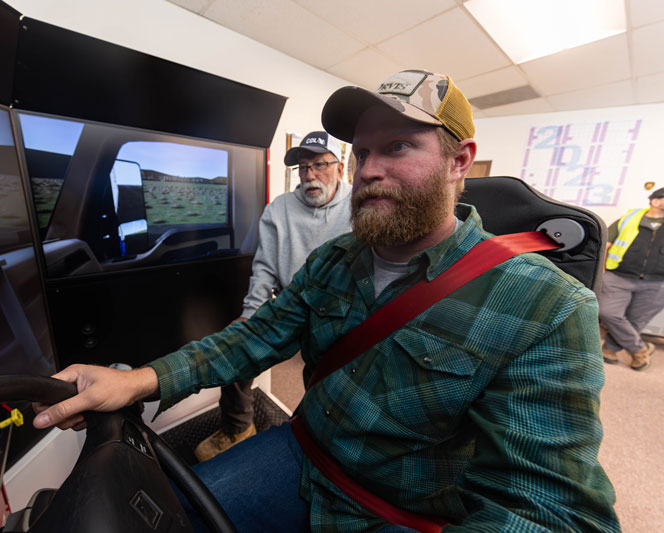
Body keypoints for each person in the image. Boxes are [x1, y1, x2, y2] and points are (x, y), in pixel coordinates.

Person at [33, 69, 619, 532]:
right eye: (362, 153)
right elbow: (255, 337)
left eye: (397, 148)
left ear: (459, 162)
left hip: (400, 507)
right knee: (168, 518)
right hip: (304, 453)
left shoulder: (545, 304)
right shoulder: (334, 260)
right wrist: (140, 380)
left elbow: (549, 511)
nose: (370, 170)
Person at [194, 131, 352, 462]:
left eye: (319, 165)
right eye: (303, 168)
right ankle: (238, 427)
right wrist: (250, 317)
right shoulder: (279, 209)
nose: (310, 175)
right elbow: (264, 269)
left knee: (333, 377)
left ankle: (313, 439)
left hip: (341, 312)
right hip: (289, 307)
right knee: (239, 347)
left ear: (340, 167)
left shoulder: (358, 208)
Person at [599, 188, 664, 370]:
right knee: (607, 312)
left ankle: (609, 349)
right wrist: (602, 270)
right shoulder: (628, 219)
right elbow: (606, 245)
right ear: (656, 201)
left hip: (657, 283)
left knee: (636, 320)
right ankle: (639, 349)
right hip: (619, 277)